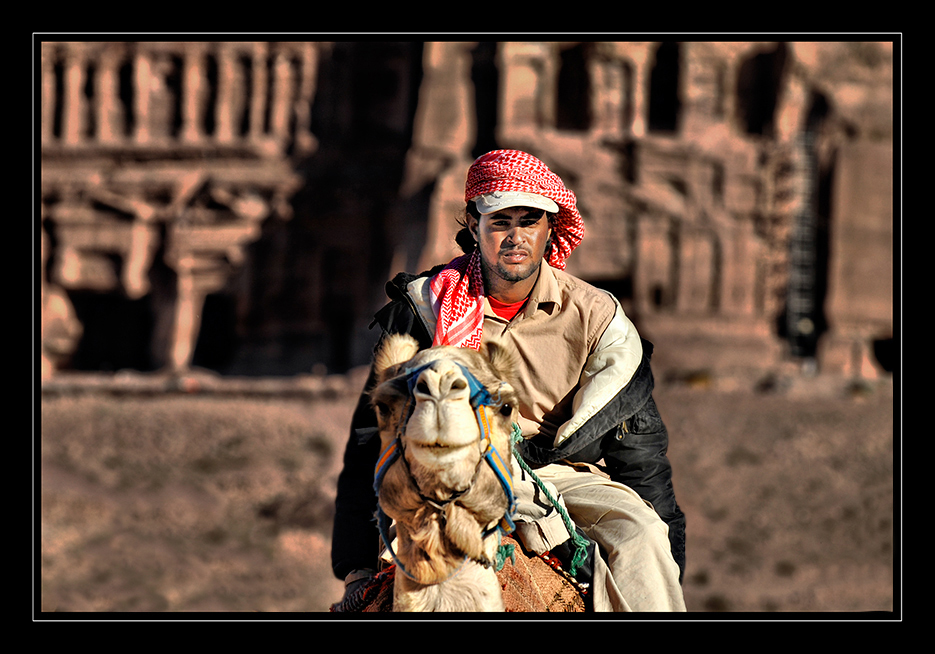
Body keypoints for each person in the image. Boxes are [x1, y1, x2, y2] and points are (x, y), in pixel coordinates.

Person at [331, 149, 686, 611]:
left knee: (640, 535)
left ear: (550, 231)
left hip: (561, 474)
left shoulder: (598, 319)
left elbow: (639, 453)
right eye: (500, 221)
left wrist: (668, 552)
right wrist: (356, 564)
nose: (515, 237)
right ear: (473, 226)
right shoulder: (424, 309)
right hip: (447, 468)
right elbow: (370, 437)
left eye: (530, 221)